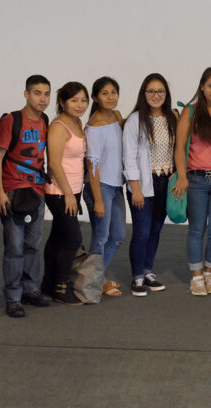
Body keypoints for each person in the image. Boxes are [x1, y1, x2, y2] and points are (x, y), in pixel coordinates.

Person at [0, 75, 52, 318]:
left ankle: (30, 289)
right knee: (15, 247)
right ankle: (13, 297)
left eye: (47, 93)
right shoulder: (12, 120)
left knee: (32, 245)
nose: (43, 98)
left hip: (37, 192)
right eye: (37, 93)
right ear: (26, 94)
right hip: (13, 191)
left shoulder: (45, 121)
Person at [172, 67, 211, 296]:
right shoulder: (190, 111)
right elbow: (179, 147)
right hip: (196, 180)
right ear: (202, 87)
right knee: (197, 229)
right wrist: (181, 176)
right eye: (210, 86)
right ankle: (196, 276)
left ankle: (209, 272)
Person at [123, 73, 175, 297]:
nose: (156, 95)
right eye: (151, 91)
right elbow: (129, 156)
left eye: (160, 91)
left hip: (165, 181)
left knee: (155, 230)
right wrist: (135, 187)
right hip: (143, 182)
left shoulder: (172, 117)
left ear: (166, 94)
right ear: (144, 94)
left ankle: (148, 271)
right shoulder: (135, 119)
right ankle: (136, 277)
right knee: (142, 232)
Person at [41, 82, 88, 305]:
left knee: (58, 237)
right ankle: (61, 286)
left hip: (74, 190)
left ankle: (47, 285)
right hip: (59, 191)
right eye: (74, 100)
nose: (80, 105)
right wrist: (68, 194)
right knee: (73, 238)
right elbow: (55, 164)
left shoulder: (77, 122)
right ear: (62, 102)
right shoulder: (59, 126)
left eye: (83, 100)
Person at [83, 77, 126, 297]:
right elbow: (93, 166)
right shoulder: (94, 127)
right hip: (100, 187)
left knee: (117, 235)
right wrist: (98, 199)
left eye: (114, 92)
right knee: (101, 237)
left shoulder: (117, 117)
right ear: (95, 97)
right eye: (105, 93)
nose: (110, 97)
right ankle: (91, 283)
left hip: (116, 186)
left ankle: (97, 278)